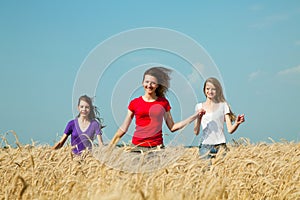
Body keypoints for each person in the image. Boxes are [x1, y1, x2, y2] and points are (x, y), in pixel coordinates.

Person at [110, 67, 203, 151]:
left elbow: (172, 127)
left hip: (157, 149)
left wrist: (194, 116)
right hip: (137, 148)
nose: (149, 85)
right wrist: (110, 145)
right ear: (142, 83)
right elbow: (124, 128)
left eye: (153, 83)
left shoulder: (163, 103)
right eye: (147, 82)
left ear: (158, 85)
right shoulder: (134, 103)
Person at [194, 77, 245, 159]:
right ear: (204, 90)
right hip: (205, 146)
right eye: (208, 89)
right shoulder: (199, 107)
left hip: (221, 146)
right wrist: (199, 118)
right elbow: (196, 132)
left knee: (223, 171)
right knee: (206, 171)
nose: (210, 91)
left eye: (213, 89)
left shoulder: (223, 105)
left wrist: (237, 123)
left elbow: (230, 130)